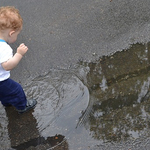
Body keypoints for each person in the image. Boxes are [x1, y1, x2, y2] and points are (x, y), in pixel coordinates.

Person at [0, 6, 37, 113]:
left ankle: (6, 101)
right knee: (16, 90)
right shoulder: (4, 48)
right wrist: (19, 54)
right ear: (11, 33)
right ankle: (22, 106)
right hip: (1, 81)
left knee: (4, 92)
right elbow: (7, 66)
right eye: (17, 34)